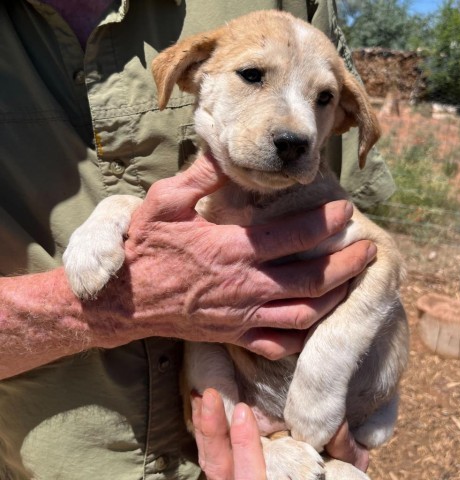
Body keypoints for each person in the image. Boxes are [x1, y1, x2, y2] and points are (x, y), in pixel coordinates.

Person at [0, 1, 395, 479]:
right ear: (187, 73)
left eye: (323, 99)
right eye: (252, 75)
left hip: (311, 430)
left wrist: (327, 401)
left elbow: (376, 258)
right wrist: (118, 272)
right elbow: (162, 224)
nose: (298, 130)